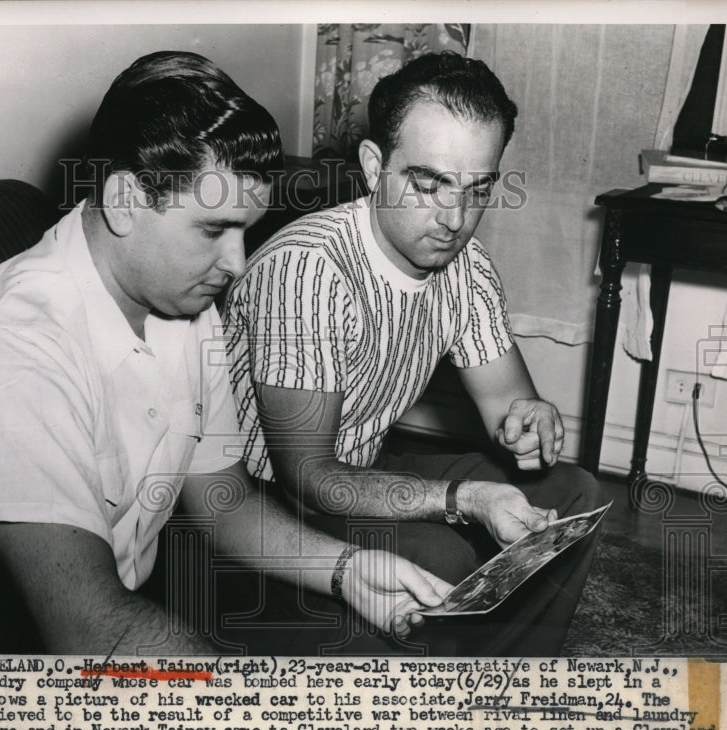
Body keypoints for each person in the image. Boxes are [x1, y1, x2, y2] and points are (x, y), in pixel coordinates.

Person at [0, 51, 453, 655]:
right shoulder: (15, 350)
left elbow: (220, 500)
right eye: (213, 230)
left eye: (245, 231)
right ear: (126, 200)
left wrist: (346, 568)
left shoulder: (183, 301)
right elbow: (89, 631)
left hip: (108, 593)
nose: (236, 264)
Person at [223, 51, 603, 656]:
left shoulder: (466, 266)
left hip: (358, 471)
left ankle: (508, 677)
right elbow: (309, 480)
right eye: (428, 185)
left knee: (572, 494)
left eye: (476, 189)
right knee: (443, 555)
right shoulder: (308, 269)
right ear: (374, 167)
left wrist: (533, 420)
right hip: (251, 513)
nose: (454, 218)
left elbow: (511, 407)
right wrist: (464, 501)